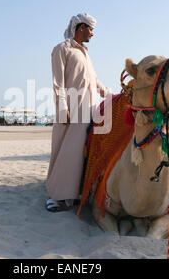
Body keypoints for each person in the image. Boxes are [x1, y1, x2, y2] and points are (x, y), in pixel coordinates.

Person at [45, 13, 109, 212]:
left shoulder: (85, 53)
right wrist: (63, 107)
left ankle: (76, 192)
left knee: (83, 152)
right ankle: (58, 196)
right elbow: (58, 83)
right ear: (80, 27)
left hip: (90, 108)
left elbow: (94, 80)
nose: (92, 33)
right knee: (68, 152)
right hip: (72, 109)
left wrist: (111, 95)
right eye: (90, 29)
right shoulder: (62, 49)